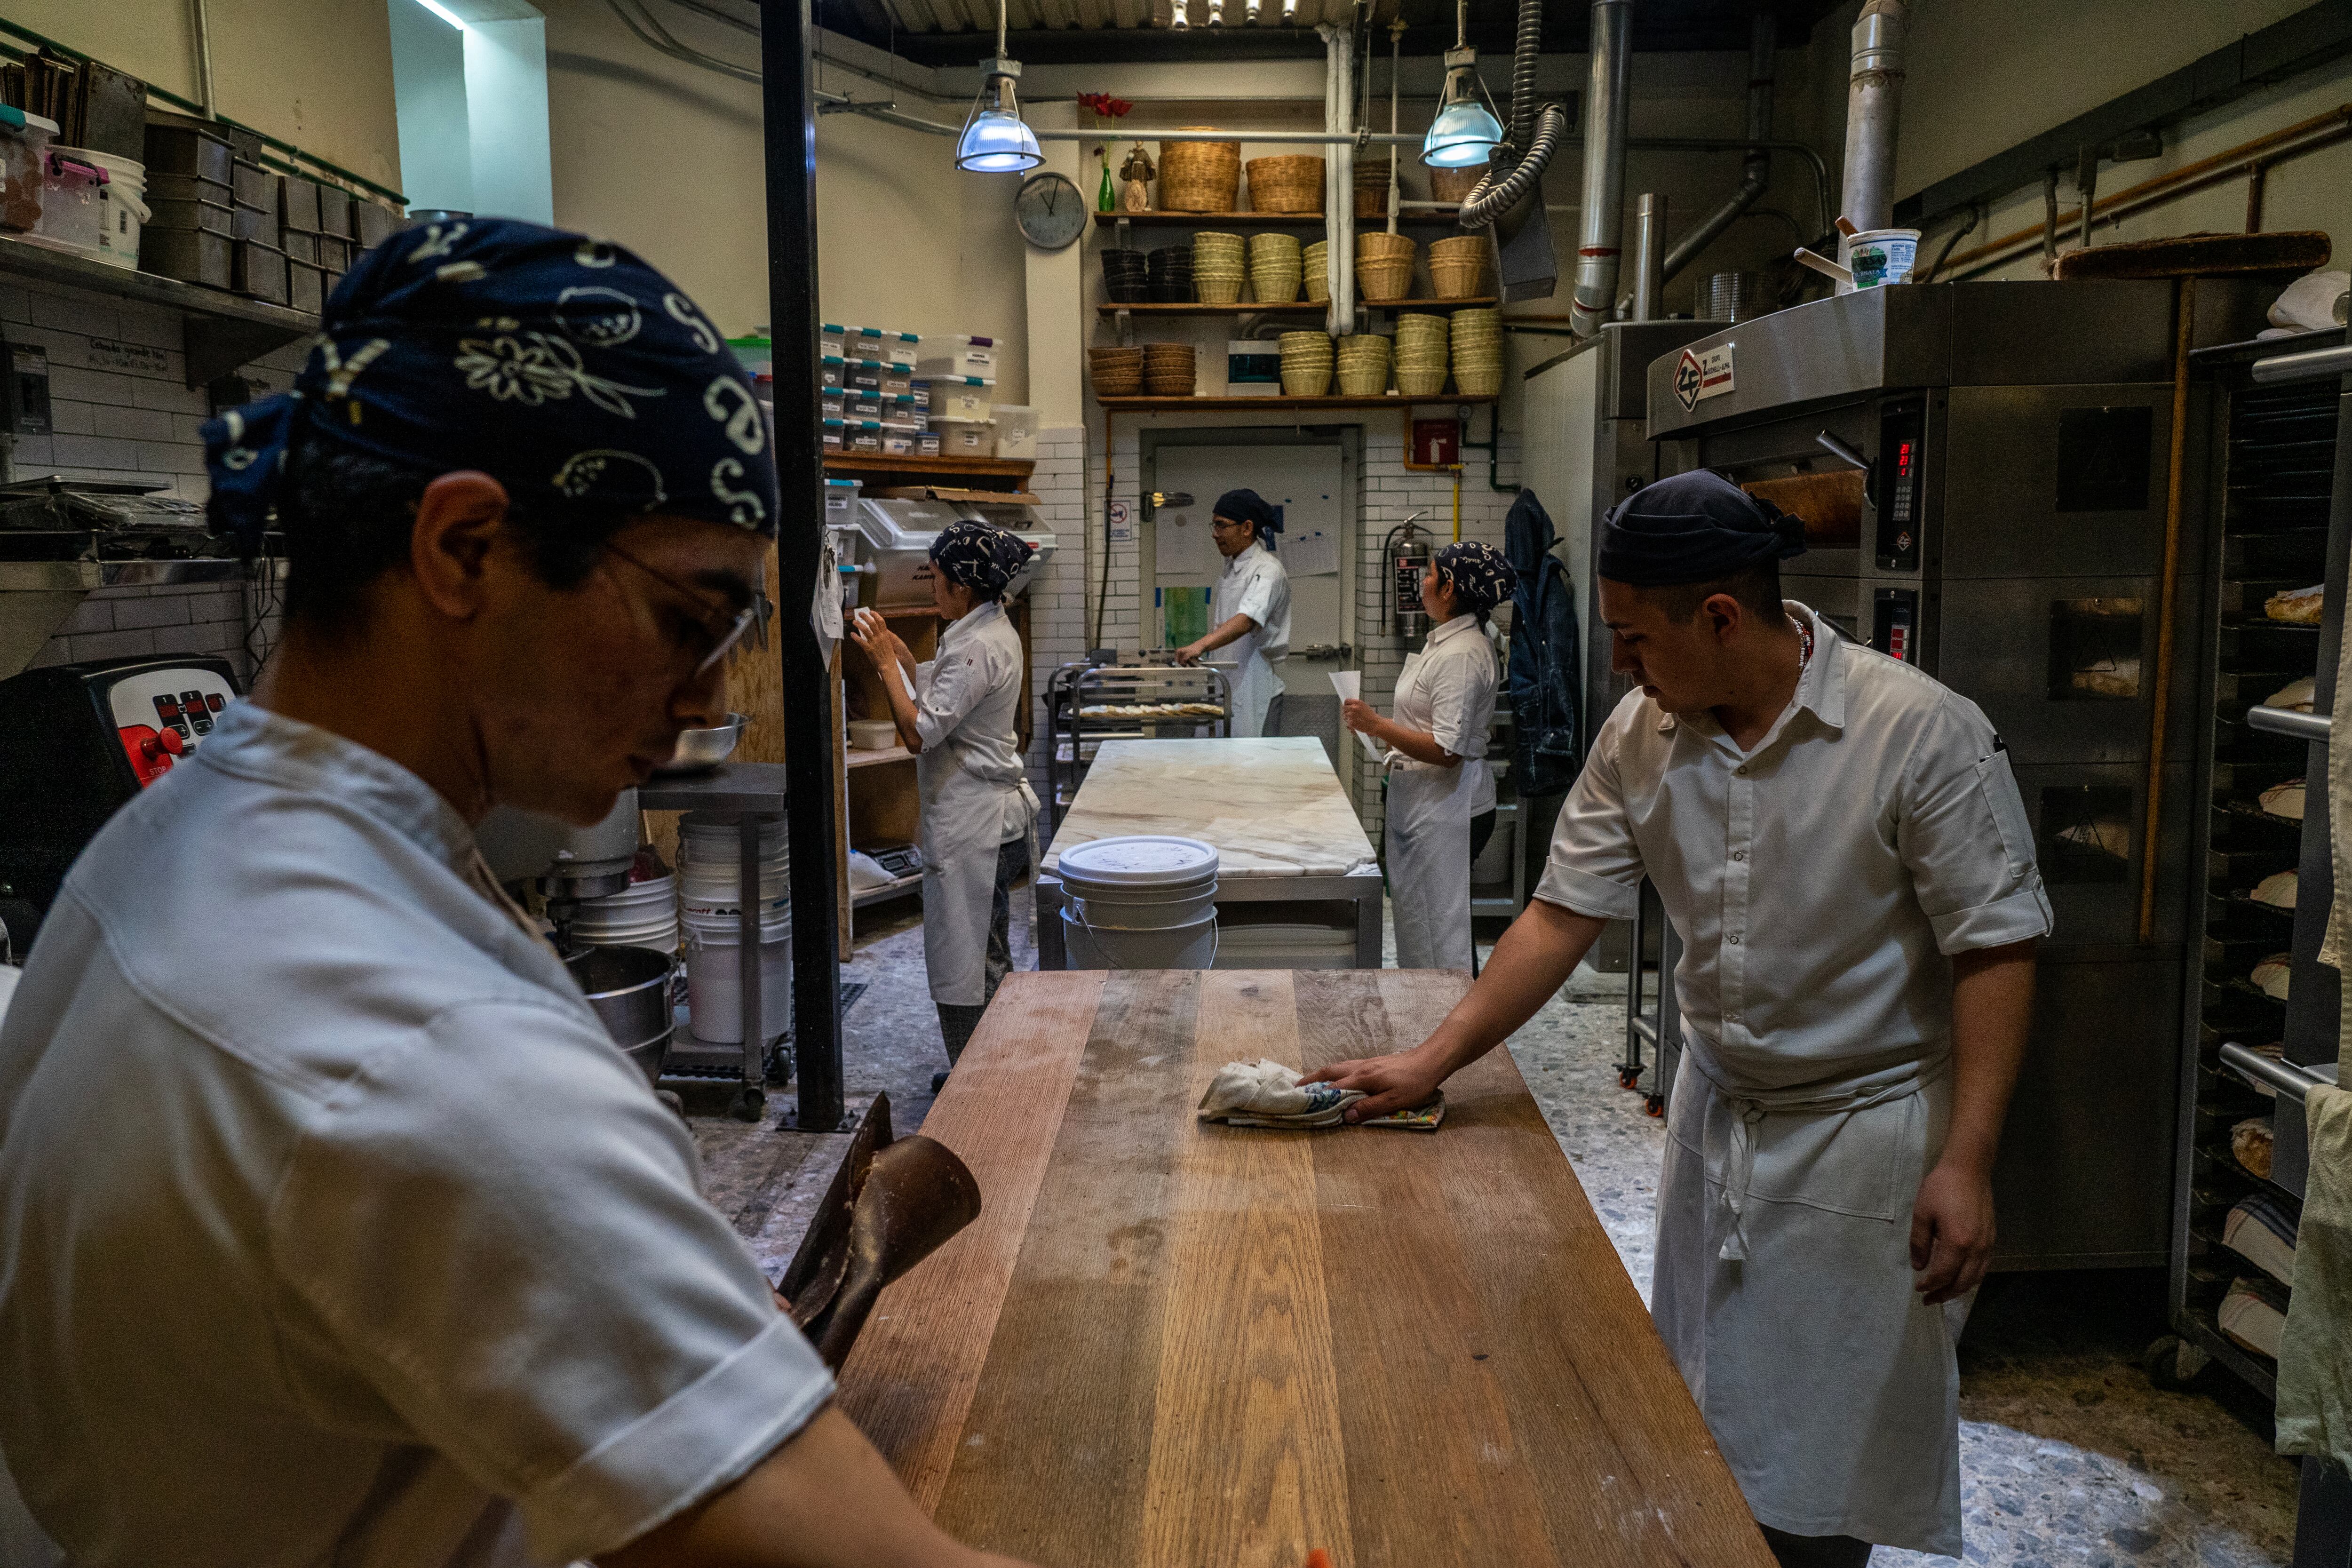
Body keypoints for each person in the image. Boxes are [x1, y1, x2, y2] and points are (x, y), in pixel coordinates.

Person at [0, 219, 1035, 1568]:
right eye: (689, 618)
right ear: (466, 547)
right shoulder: (418, 1045)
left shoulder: (158, 853)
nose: (714, 695)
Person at [1309, 470, 2050, 1568]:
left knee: (1824, 1467)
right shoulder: (1642, 734)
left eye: (1632, 637)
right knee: (1705, 1418)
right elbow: (1560, 916)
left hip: (1864, 1140)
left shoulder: (1915, 732)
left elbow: (1995, 947)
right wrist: (1433, 1060)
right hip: (1719, 1116)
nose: (1616, 663)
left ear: (1718, 618)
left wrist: (1969, 1159)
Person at [847, 522, 1039, 1070]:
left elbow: (917, 733)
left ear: (963, 586)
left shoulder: (978, 643)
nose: (931, 587)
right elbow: (942, 697)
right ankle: (983, 1072)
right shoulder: (983, 628)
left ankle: (977, 1083)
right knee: (983, 954)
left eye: (936, 578)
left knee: (968, 962)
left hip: (976, 824)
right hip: (983, 820)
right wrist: (905, 661)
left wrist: (885, 665)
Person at [1341, 541, 1515, 972]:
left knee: (1444, 925)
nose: (1422, 581)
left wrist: (1377, 725)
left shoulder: (1462, 654)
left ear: (1450, 587)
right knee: (1424, 918)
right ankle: (1430, 1014)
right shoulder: (1446, 642)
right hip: (1425, 801)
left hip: (1449, 808)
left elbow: (1447, 749)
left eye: (1431, 574)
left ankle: (1456, 1024)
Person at [1175, 487, 1290, 737]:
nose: (1215, 534)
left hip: (1254, 686)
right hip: (1226, 683)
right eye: (1213, 526)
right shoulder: (1231, 566)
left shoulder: (1267, 569)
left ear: (1247, 528)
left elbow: (1247, 620)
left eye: (1221, 525)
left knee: (1252, 769)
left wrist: (1200, 646)